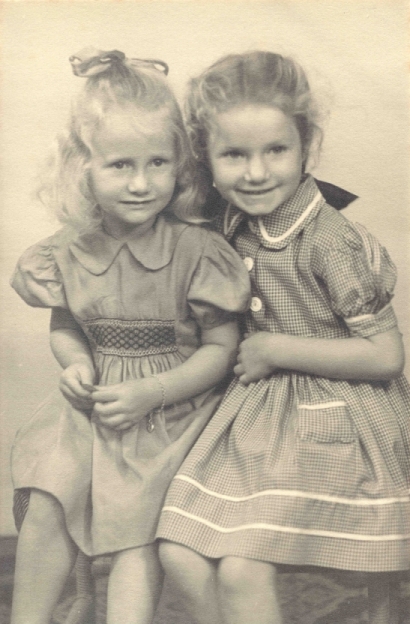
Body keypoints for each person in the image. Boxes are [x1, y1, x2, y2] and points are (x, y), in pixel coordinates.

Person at [157, 51, 410, 624]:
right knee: (178, 551)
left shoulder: (330, 241)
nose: (256, 172)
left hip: (338, 418)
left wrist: (276, 348)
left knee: (242, 569)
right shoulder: (229, 220)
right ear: (206, 156)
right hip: (256, 418)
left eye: (276, 150)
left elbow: (386, 356)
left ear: (306, 146)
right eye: (234, 154)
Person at [9, 47, 251, 624]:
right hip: (95, 406)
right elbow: (67, 325)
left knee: (135, 527)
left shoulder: (197, 251)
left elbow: (222, 349)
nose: (141, 184)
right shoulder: (67, 250)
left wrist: (152, 392)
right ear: (82, 168)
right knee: (48, 497)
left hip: (173, 413)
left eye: (157, 163)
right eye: (120, 166)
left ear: (179, 164)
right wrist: (75, 364)